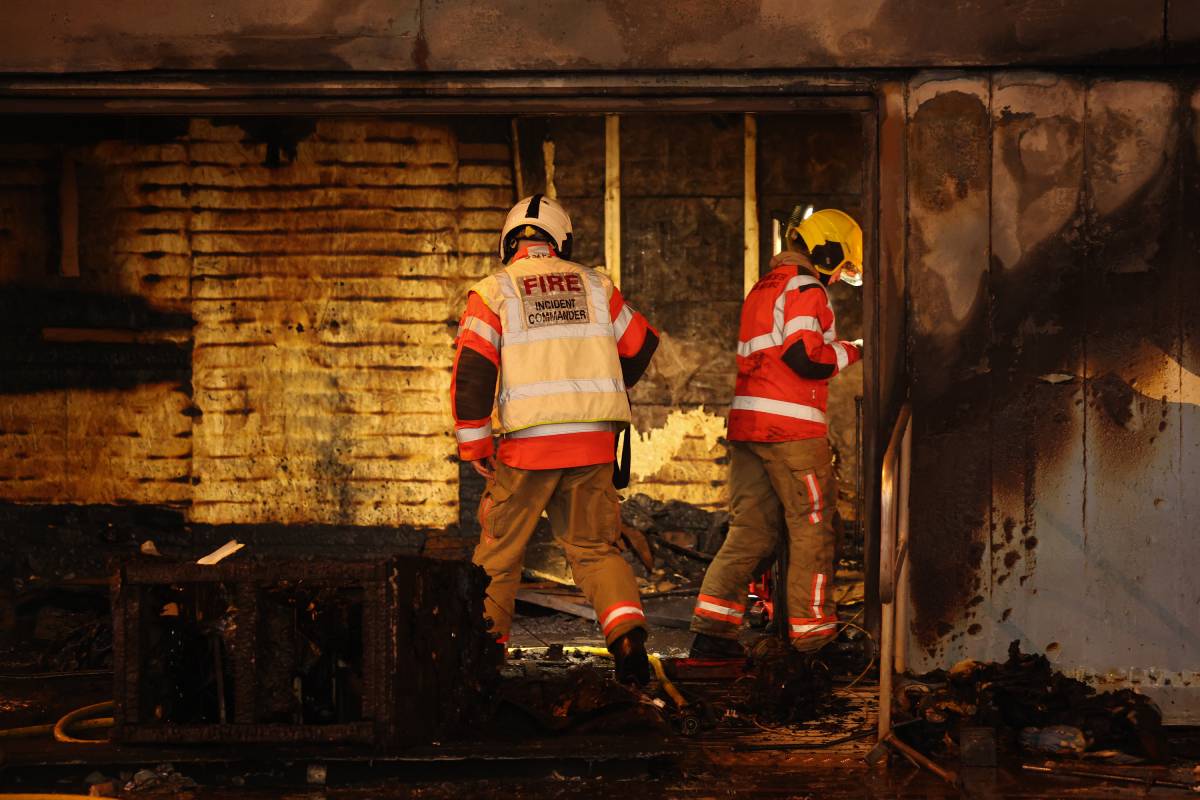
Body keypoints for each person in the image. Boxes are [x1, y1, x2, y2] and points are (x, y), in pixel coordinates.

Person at [451, 194, 660, 684]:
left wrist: (475, 443)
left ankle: (484, 660)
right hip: (592, 446)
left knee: (500, 555)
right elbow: (641, 344)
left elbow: (473, 372)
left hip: (527, 448)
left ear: (509, 243)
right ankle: (627, 635)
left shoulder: (494, 290)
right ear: (560, 239)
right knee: (594, 550)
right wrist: (607, 380)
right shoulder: (595, 285)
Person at [689, 208, 864, 658]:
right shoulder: (806, 288)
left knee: (751, 531)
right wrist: (856, 351)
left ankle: (712, 633)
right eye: (843, 267)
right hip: (790, 430)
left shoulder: (764, 287)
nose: (841, 278)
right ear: (827, 252)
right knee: (813, 528)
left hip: (748, 427)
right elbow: (806, 356)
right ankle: (815, 639)